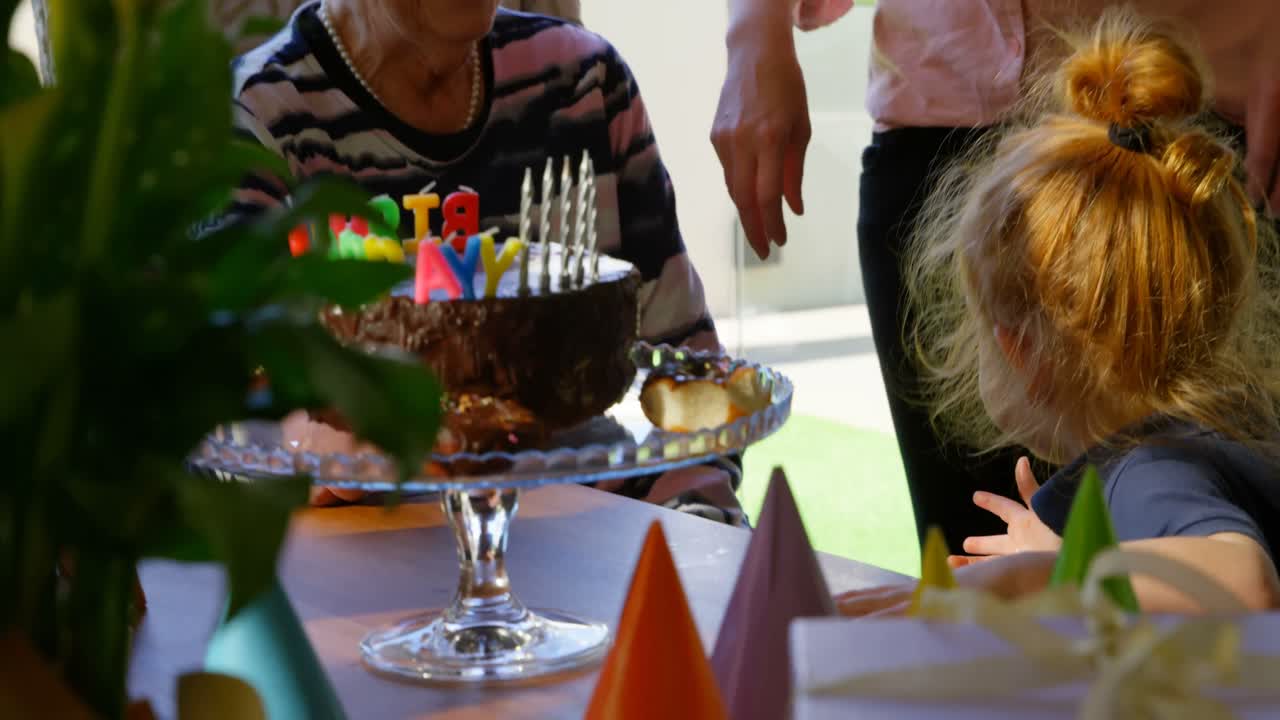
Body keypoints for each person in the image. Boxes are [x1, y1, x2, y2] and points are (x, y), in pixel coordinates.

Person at [712, 0, 1280, 551]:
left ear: (1019, 350)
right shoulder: (1149, 461)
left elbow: (1244, 582)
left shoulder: (1152, 476)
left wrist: (1065, 567)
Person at [227, 0, 741, 522]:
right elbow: (228, 413)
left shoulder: (580, 82)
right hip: (380, 564)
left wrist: (697, 539)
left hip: (607, 542)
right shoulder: (261, 118)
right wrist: (310, 448)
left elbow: (688, 380)